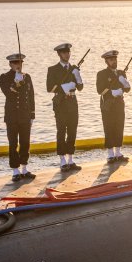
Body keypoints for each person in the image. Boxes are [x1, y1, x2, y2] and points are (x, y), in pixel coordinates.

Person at [46, 43, 84, 171]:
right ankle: (62, 160)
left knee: (72, 130)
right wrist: (65, 87)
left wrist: (78, 77)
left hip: (72, 102)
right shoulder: (53, 69)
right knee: (61, 131)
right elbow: (49, 87)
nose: (67, 55)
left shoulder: (73, 68)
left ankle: (71, 159)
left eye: (68, 52)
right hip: (60, 103)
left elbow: (80, 87)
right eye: (64, 53)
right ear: (59, 54)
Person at [0, 52, 35, 181]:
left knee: (25, 142)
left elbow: (31, 96)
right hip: (12, 117)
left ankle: (24, 168)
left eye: (20, 62)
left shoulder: (27, 77)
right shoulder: (4, 77)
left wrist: (32, 114)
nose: (18, 65)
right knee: (13, 143)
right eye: (15, 63)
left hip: (25, 116)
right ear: (10, 64)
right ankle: (15, 170)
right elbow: (8, 94)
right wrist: (16, 82)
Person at [96, 50, 131, 163]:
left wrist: (125, 82)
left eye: (115, 59)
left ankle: (118, 152)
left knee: (119, 126)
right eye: (111, 60)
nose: (114, 61)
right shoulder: (102, 74)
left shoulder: (121, 73)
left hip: (119, 103)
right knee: (109, 127)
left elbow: (127, 89)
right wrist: (112, 92)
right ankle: (111, 154)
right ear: (106, 61)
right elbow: (100, 90)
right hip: (108, 105)